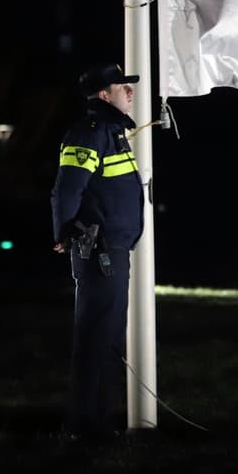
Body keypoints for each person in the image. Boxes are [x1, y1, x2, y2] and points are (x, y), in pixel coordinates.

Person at [50, 63, 144, 438]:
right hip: (100, 250)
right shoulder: (89, 133)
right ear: (104, 95)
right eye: (123, 87)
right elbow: (67, 188)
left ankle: (96, 421)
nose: (130, 92)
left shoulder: (111, 131)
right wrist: (65, 233)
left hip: (115, 249)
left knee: (107, 337)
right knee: (96, 337)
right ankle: (86, 426)